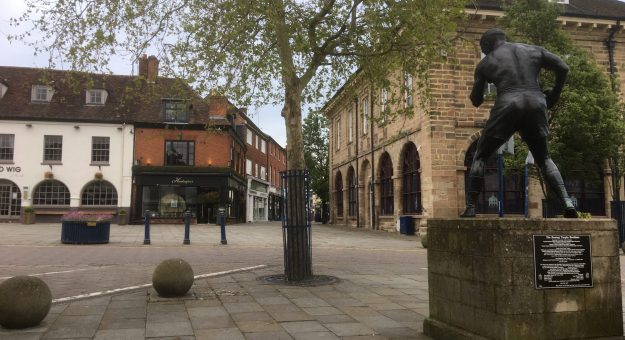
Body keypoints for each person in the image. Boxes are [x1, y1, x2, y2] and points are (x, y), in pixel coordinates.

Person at [461, 28, 577, 218]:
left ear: (488, 45)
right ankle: (566, 201)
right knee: (545, 158)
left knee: (480, 156)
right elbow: (563, 68)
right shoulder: (534, 50)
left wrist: (479, 83)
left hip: (508, 103)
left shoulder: (486, 63)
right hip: (536, 102)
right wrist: (554, 94)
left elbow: (476, 100)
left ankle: (471, 206)